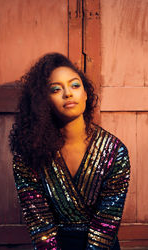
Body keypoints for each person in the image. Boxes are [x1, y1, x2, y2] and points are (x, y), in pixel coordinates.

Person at [9, 53, 130, 250]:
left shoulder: (115, 151)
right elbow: (40, 225)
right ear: (43, 101)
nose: (68, 93)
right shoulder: (27, 155)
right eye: (56, 89)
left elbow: (106, 224)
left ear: (85, 93)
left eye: (75, 85)